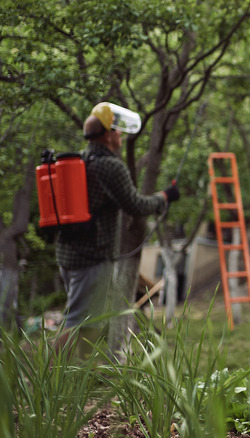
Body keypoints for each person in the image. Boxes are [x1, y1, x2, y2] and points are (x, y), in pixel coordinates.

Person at [54, 102, 180, 356]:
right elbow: (135, 204)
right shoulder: (110, 166)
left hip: (68, 254)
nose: (121, 135)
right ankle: (48, 379)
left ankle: (76, 375)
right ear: (108, 134)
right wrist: (164, 197)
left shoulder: (83, 159)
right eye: (118, 130)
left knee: (88, 317)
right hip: (94, 257)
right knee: (77, 319)